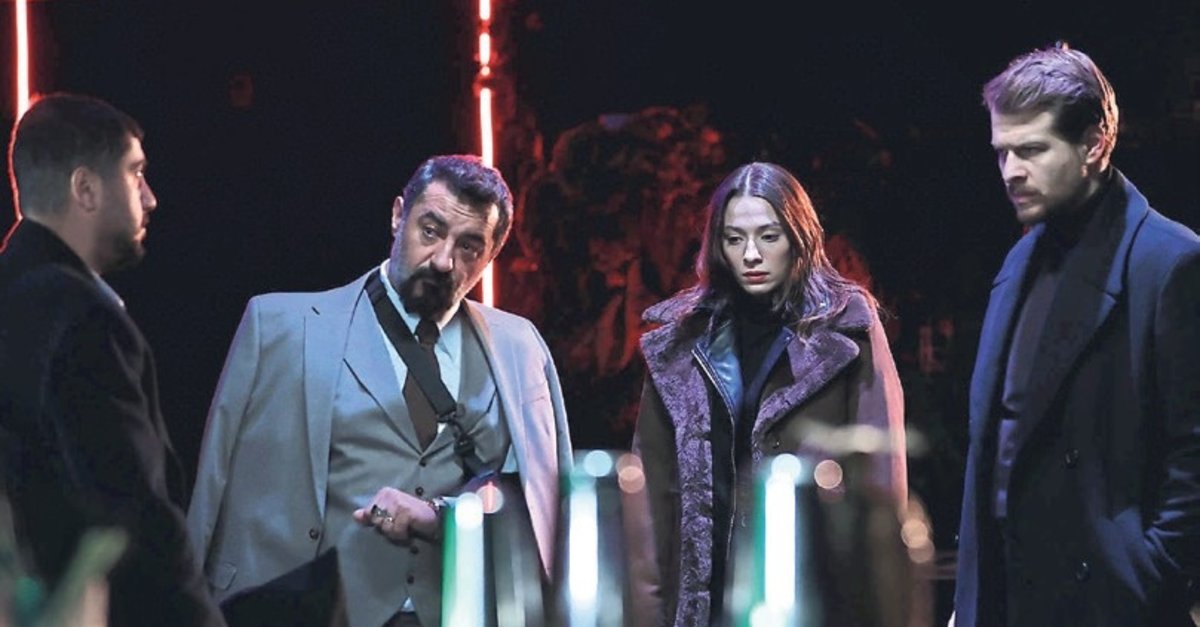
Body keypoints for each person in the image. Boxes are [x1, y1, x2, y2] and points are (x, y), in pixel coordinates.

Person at [187, 154, 573, 626]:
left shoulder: (520, 345)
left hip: (459, 612)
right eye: (430, 231)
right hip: (313, 611)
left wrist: (443, 514)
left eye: (469, 246)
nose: (443, 260)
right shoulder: (280, 326)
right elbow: (214, 481)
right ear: (397, 216)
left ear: (492, 256)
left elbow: (544, 502)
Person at [951, 43, 1200, 627]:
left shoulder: (1170, 262)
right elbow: (996, 444)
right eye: (1003, 152)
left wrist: (1145, 578)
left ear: (1094, 144)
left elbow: (1193, 453)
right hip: (1010, 597)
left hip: (1107, 603)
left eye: (1032, 149)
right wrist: (972, 597)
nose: (1011, 171)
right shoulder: (1018, 263)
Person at [630, 161, 908, 626]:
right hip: (706, 600)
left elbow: (881, 477)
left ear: (799, 237)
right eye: (734, 239)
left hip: (812, 595)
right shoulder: (681, 342)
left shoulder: (846, 332)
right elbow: (649, 493)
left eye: (769, 236)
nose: (751, 255)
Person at [0, 93, 225, 626]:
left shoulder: (16, 292)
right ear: (85, 188)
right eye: (136, 172)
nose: (151, 198)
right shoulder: (80, 316)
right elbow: (133, 516)